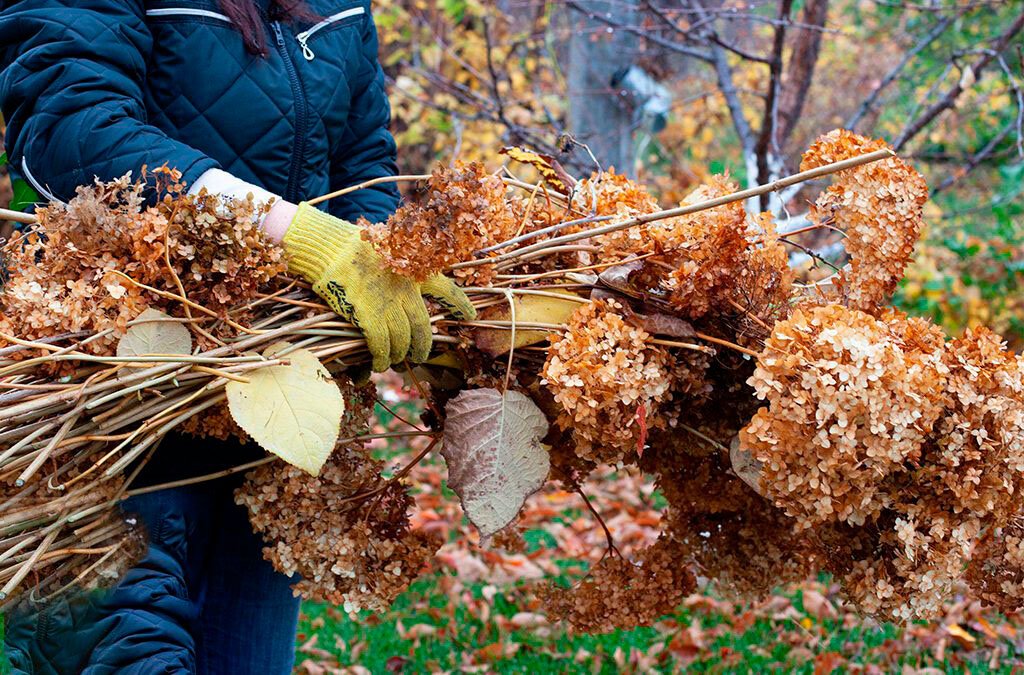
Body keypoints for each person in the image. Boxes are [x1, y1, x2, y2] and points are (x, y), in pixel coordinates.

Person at [0, 1, 473, 672]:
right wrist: (293, 234)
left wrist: (384, 263)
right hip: (108, 416)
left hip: (263, 428)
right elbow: (72, 131)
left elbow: (363, 158)